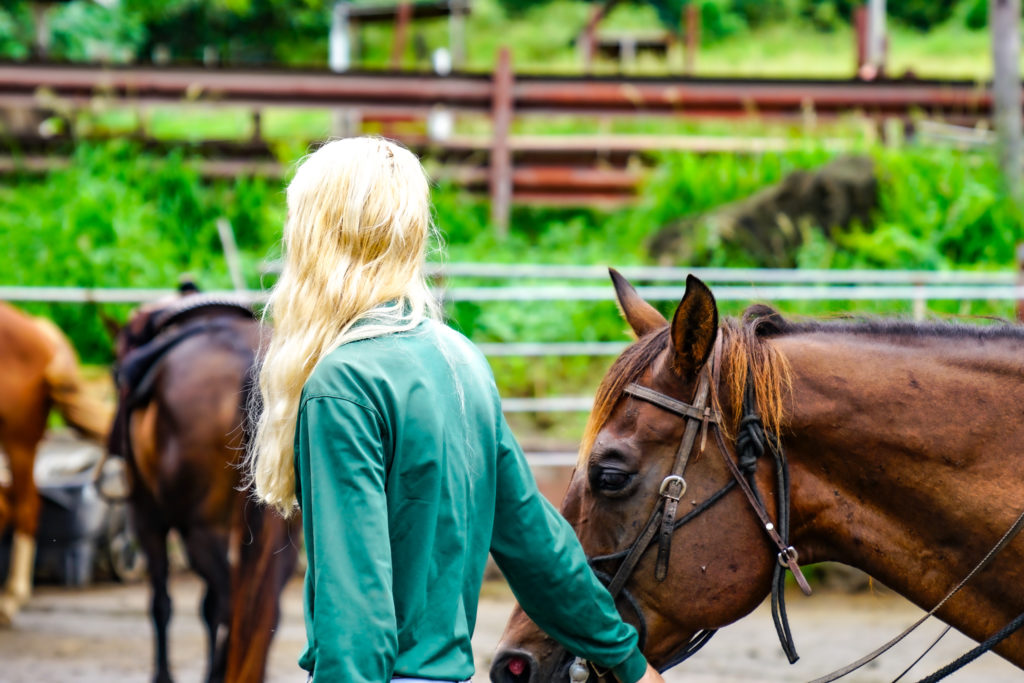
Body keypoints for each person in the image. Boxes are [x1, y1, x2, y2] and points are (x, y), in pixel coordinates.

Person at [249, 137, 665, 683]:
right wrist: (628, 662)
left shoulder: (342, 384)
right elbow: (537, 546)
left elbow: (357, 616)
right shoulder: (462, 359)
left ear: (315, 238)